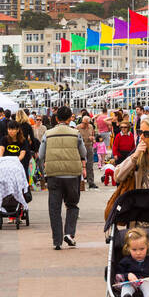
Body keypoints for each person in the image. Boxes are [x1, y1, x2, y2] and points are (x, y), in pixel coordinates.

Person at [40, 106, 87, 250]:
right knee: (72, 205)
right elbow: (83, 152)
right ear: (69, 119)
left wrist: (44, 170)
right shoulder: (75, 133)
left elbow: (41, 155)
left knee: (54, 208)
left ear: (56, 118)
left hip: (53, 174)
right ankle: (69, 233)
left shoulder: (47, 134)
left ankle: (57, 241)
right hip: (72, 175)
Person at [114, 227, 149, 297]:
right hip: (130, 282)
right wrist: (127, 275)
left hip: (146, 282)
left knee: (148, 287)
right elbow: (118, 274)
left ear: (147, 247)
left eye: (142, 249)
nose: (138, 253)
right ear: (128, 249)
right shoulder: (125, 261)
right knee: (126, 287)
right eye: (134, 250)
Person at [77, 112, 98, 188]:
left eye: (86, 123)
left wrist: (93, 139)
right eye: (83, 123)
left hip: (89, 147)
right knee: (80, 165)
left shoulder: (91, 127)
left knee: (90, 165)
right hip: (80, 148)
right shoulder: (77, 128)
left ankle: (91, 182)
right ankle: (79, 182)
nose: (84, 125)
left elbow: (93, 136)